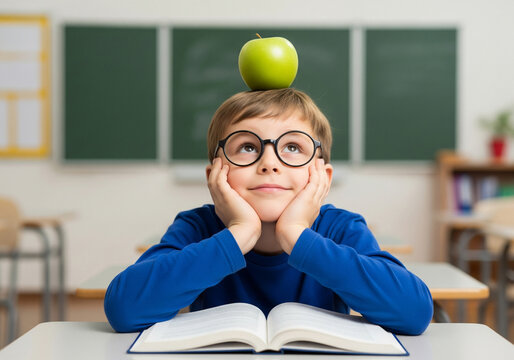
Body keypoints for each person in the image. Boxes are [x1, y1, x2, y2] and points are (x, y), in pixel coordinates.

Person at [104, 88, 433, 335]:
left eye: (293, 147)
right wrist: (239, 233)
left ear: (322, 176)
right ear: (214, 175)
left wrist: (296, 235)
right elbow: (124, 308)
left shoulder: (341, 228)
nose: (269, 164)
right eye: (247, 147)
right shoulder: (197, 226)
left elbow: (414, 312)